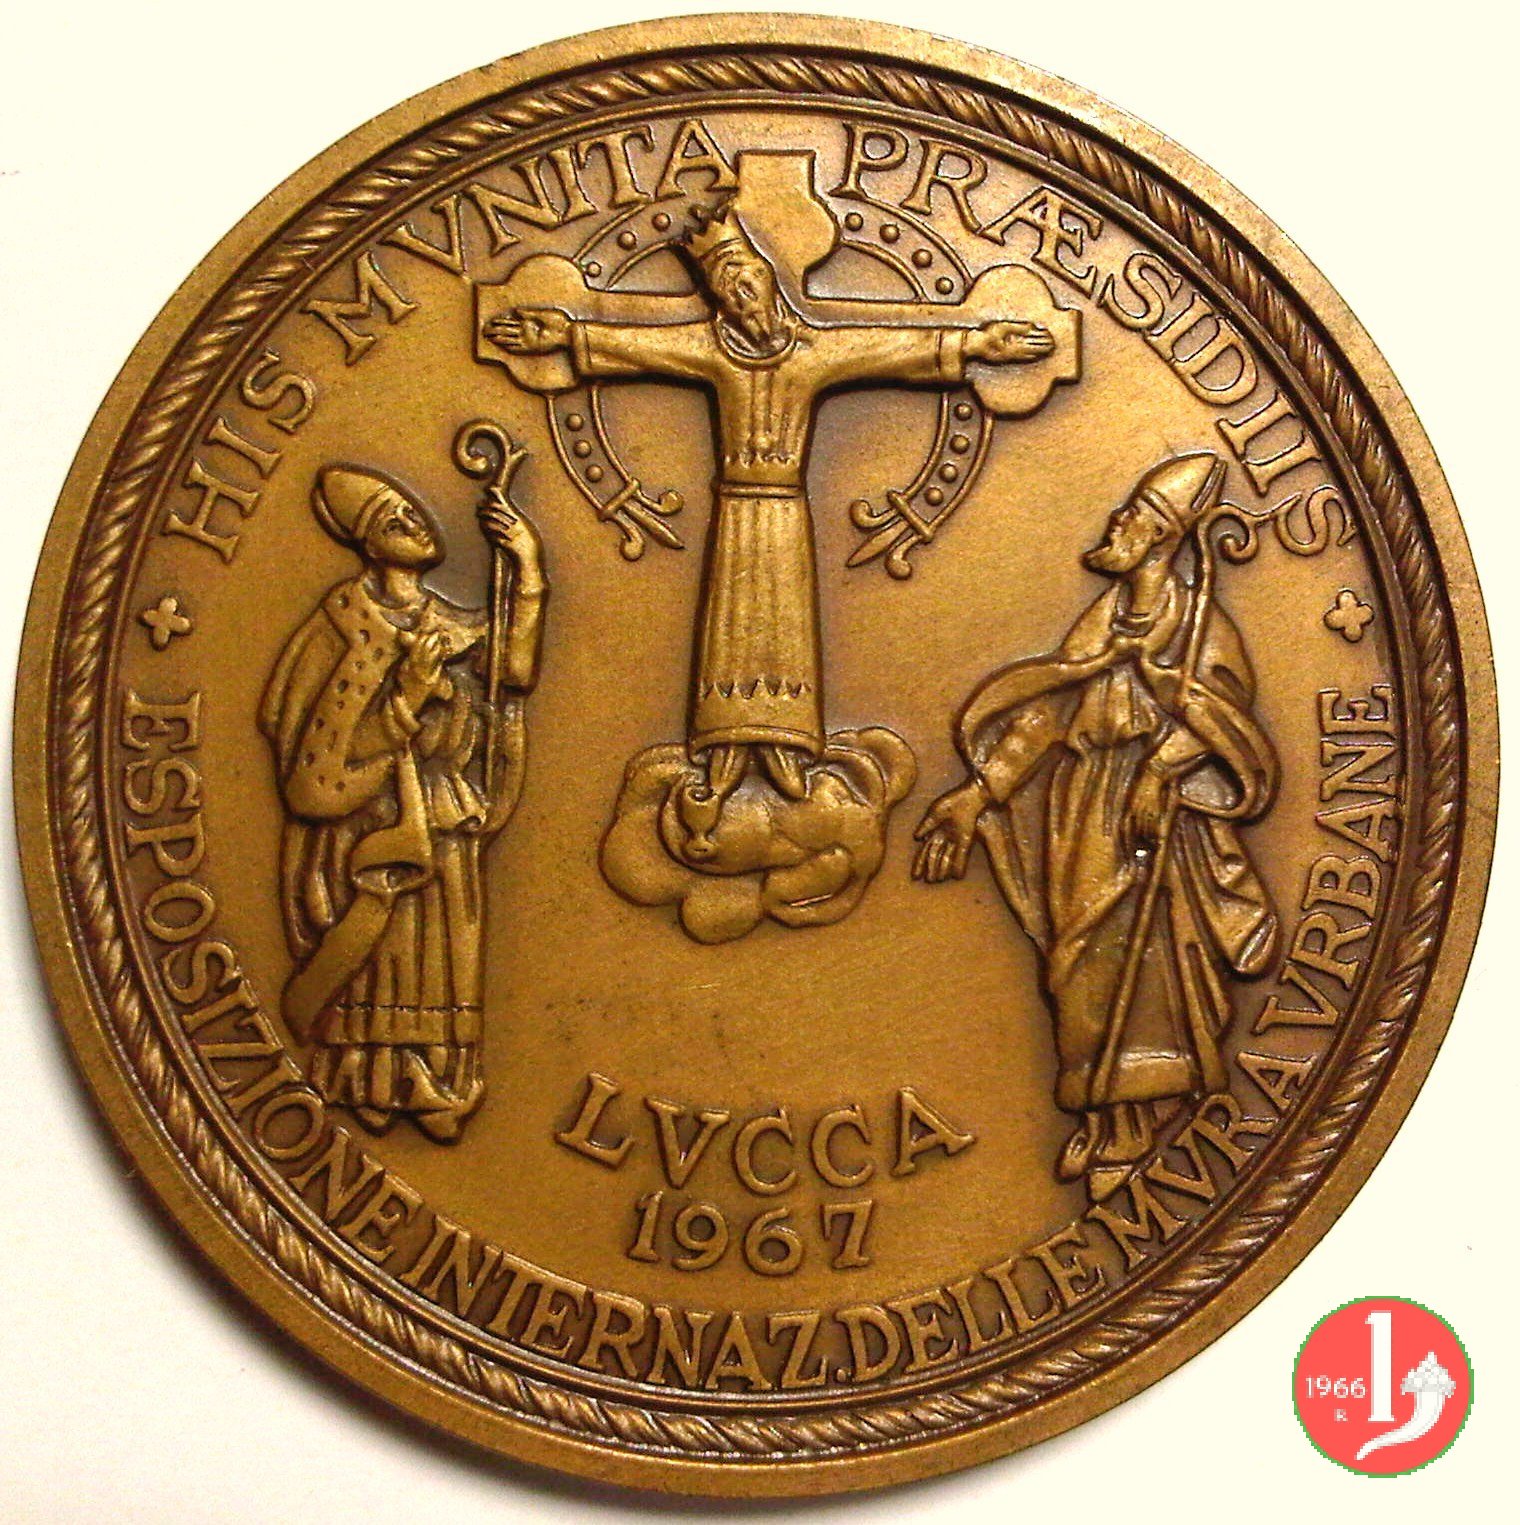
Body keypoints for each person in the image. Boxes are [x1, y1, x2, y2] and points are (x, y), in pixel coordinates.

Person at [485, 198, 1053, 813]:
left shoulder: (813, 352)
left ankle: (787, 753)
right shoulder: (708, 350)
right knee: (728, 627)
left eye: (748, 278)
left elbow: (893, 348)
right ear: (719, 301)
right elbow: (637, 347)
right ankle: (724, 752)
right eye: (727, 288)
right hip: (735, 513)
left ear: (769, 279)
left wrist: (977, 343)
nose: (742, 295)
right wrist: (566, 334)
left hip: (784, 516)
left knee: (786, 628)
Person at [914, 453, 1279, 1198]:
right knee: (1076, 962)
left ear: (1162, 536)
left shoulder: (1199, 627)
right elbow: (1047, 712)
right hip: (1082, 806)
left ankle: (1142, 1116)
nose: (1118, 521)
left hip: (1155, 817)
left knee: (1146, 960)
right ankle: (1104, 1110)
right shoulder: (1105, 620)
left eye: (1135, 514)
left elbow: (1227, 723)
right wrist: (980, 793)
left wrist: (1160, 768)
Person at [260, 464, 545, 1141]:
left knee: (443, 955)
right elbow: (317, 760)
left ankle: (438, 1083)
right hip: (371, 821)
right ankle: (370, 1084)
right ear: (367, 545)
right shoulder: (342, 628)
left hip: (443, 810)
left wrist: (528, 566)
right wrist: (408, 698)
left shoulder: (448, 622)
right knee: (383, 959)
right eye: (393, 521)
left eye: (411, 512)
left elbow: (511, 671)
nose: (414, 522)